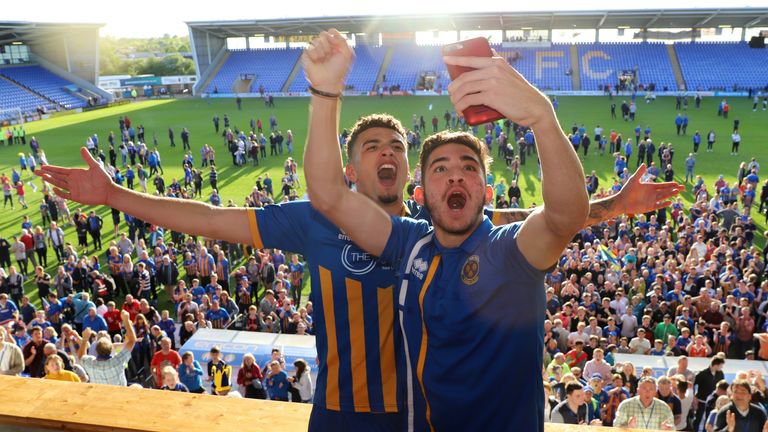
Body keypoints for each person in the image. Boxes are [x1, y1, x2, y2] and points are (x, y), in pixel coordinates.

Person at [35, 31, 680, 432]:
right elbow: (209, 218)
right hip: (341, 415)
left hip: (414, 418)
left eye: (397, 143)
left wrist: (610, 206)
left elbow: (530, 224)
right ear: (350, 164)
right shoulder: (325, 220)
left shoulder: (432, 231)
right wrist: (116, 194)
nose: (387, 153)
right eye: (373, 145)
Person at [302, 29, 584, 432]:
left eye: (469, 167)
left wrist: (541, 116)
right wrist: (325, 92)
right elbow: (328, 195)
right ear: (420, 193)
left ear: (487, 192)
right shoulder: (408, 244)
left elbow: (565, 216)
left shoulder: (511, 251)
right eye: (440, 169)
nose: (455, 177)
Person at [77, 310, 136, 386]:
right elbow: (132, 341)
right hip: (120, 395)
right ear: (111, 348)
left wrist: (85, 339)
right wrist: (126, 320)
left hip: (101, 396)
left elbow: (81, 356)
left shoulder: (90, 363)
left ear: (97, 350)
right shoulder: (118, 361)